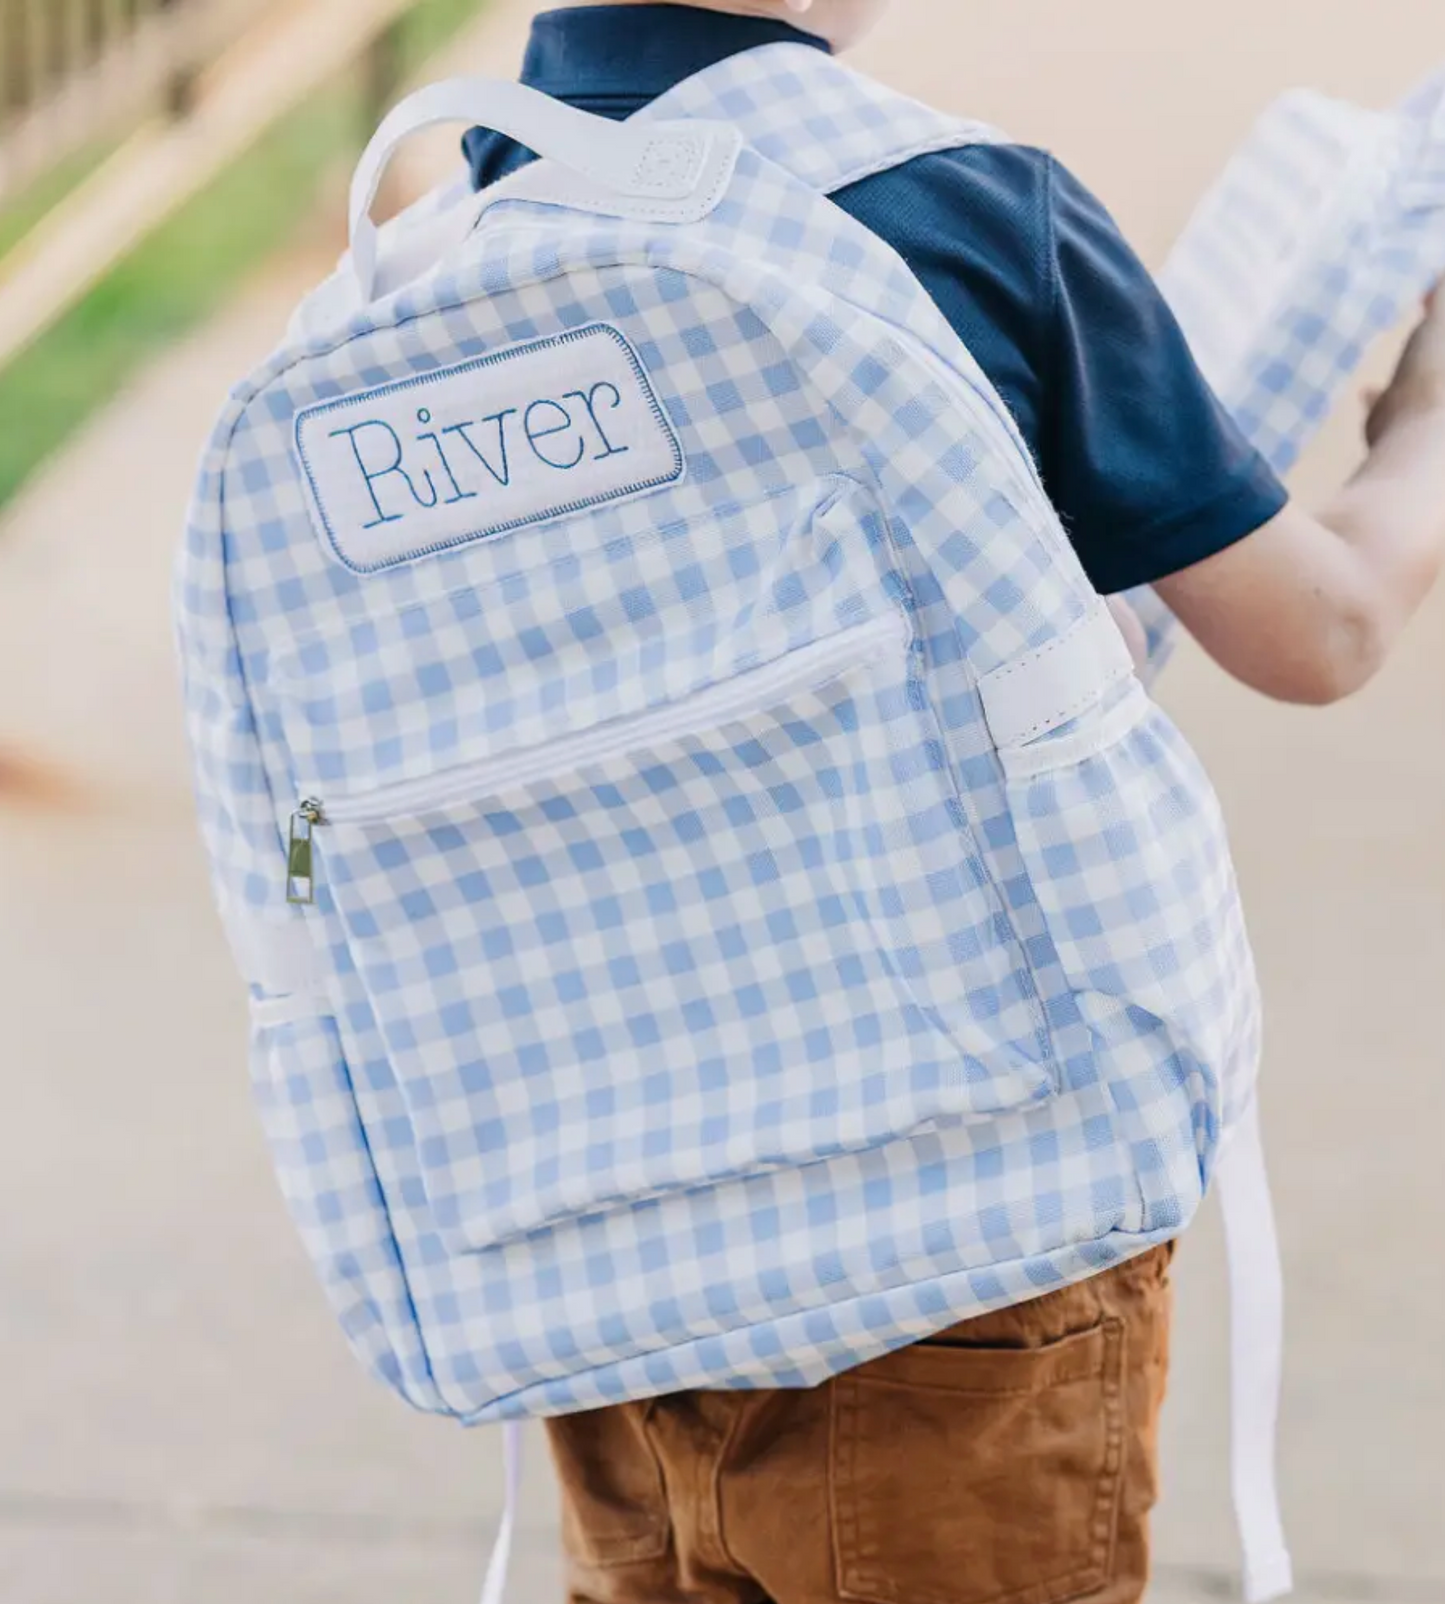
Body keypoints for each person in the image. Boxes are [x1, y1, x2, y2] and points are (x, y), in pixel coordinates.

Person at [459, 5, 1445, 1601]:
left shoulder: (458, 242)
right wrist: (1426, 427)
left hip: (613, 1261)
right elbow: (1319, 629)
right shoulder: (961, 215)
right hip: (958, 1255)